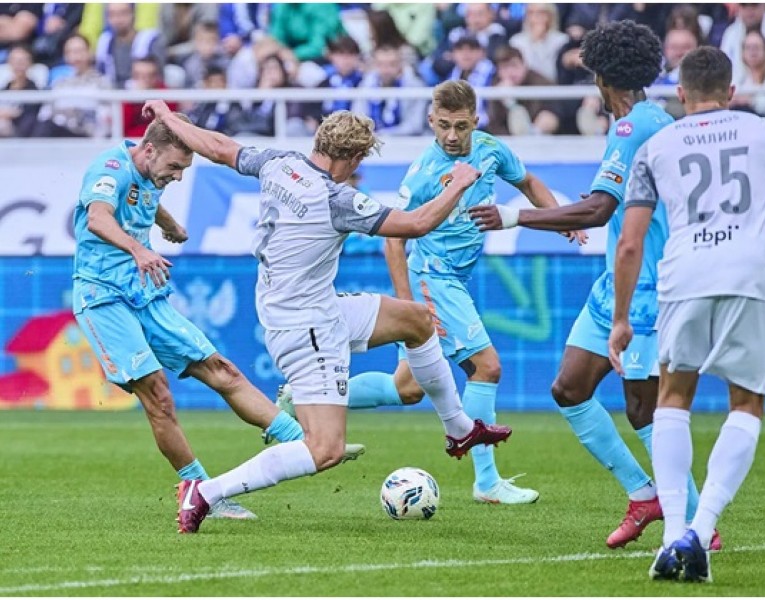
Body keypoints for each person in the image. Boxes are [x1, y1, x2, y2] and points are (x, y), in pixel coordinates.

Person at [138, 101, 515, 534]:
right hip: (307, 327)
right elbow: (415, 224)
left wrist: (168, 117)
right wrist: (460, 183)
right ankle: (205, 492)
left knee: (416, 320)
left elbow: (219, 147)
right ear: (352, 157)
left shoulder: (279, 163)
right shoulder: (337, 199)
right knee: (325, 449)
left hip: (312, 305)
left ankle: (459, 429)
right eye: (358, 162)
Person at [470, 21, 720, 551]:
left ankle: (698, 522)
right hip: (617, 285)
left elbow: (600, 209)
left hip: (649, 290)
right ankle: (644, 495)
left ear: (603, 77)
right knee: (570, 387)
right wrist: (564, 215)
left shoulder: (634, 129)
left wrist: (514, 217)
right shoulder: (649, 120)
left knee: (643, 409)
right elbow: (604, 202)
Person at [275, 80, 581, 505]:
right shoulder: (423, 173)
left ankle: (300, 398)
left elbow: (528, 181)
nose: (451, 136)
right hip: (433, 277)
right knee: (487, 367)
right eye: (443, 126)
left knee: (407, 387)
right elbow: (394, 238)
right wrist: (408, 305)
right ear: (431, 121)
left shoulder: (490, 149)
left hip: (455, 277)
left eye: (460, 126)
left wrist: (560, 218)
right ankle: (487, 482)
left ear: (475, 121)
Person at [609, 46, 765, 583]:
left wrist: (621, 319)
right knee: (747, 402)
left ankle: (674, 534)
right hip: (749, 276)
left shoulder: (657, 145)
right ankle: (702, 526)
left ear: (680, 94)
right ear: (731, 91)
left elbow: (630, 243)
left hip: (684, 275)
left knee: (673, 397)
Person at [72, 113, 316, 522]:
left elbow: (144, 197)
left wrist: (169, 224)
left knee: (221, 370)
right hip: (103, 298)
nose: (179, 176)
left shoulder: (150, 171)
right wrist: (139, 249)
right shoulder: (109, 168)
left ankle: (306, 443)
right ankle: (202, 493)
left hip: (144, 293)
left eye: (184, 169)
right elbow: (98, 217)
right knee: (159, 395)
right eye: (175, 166)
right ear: (149, 150)